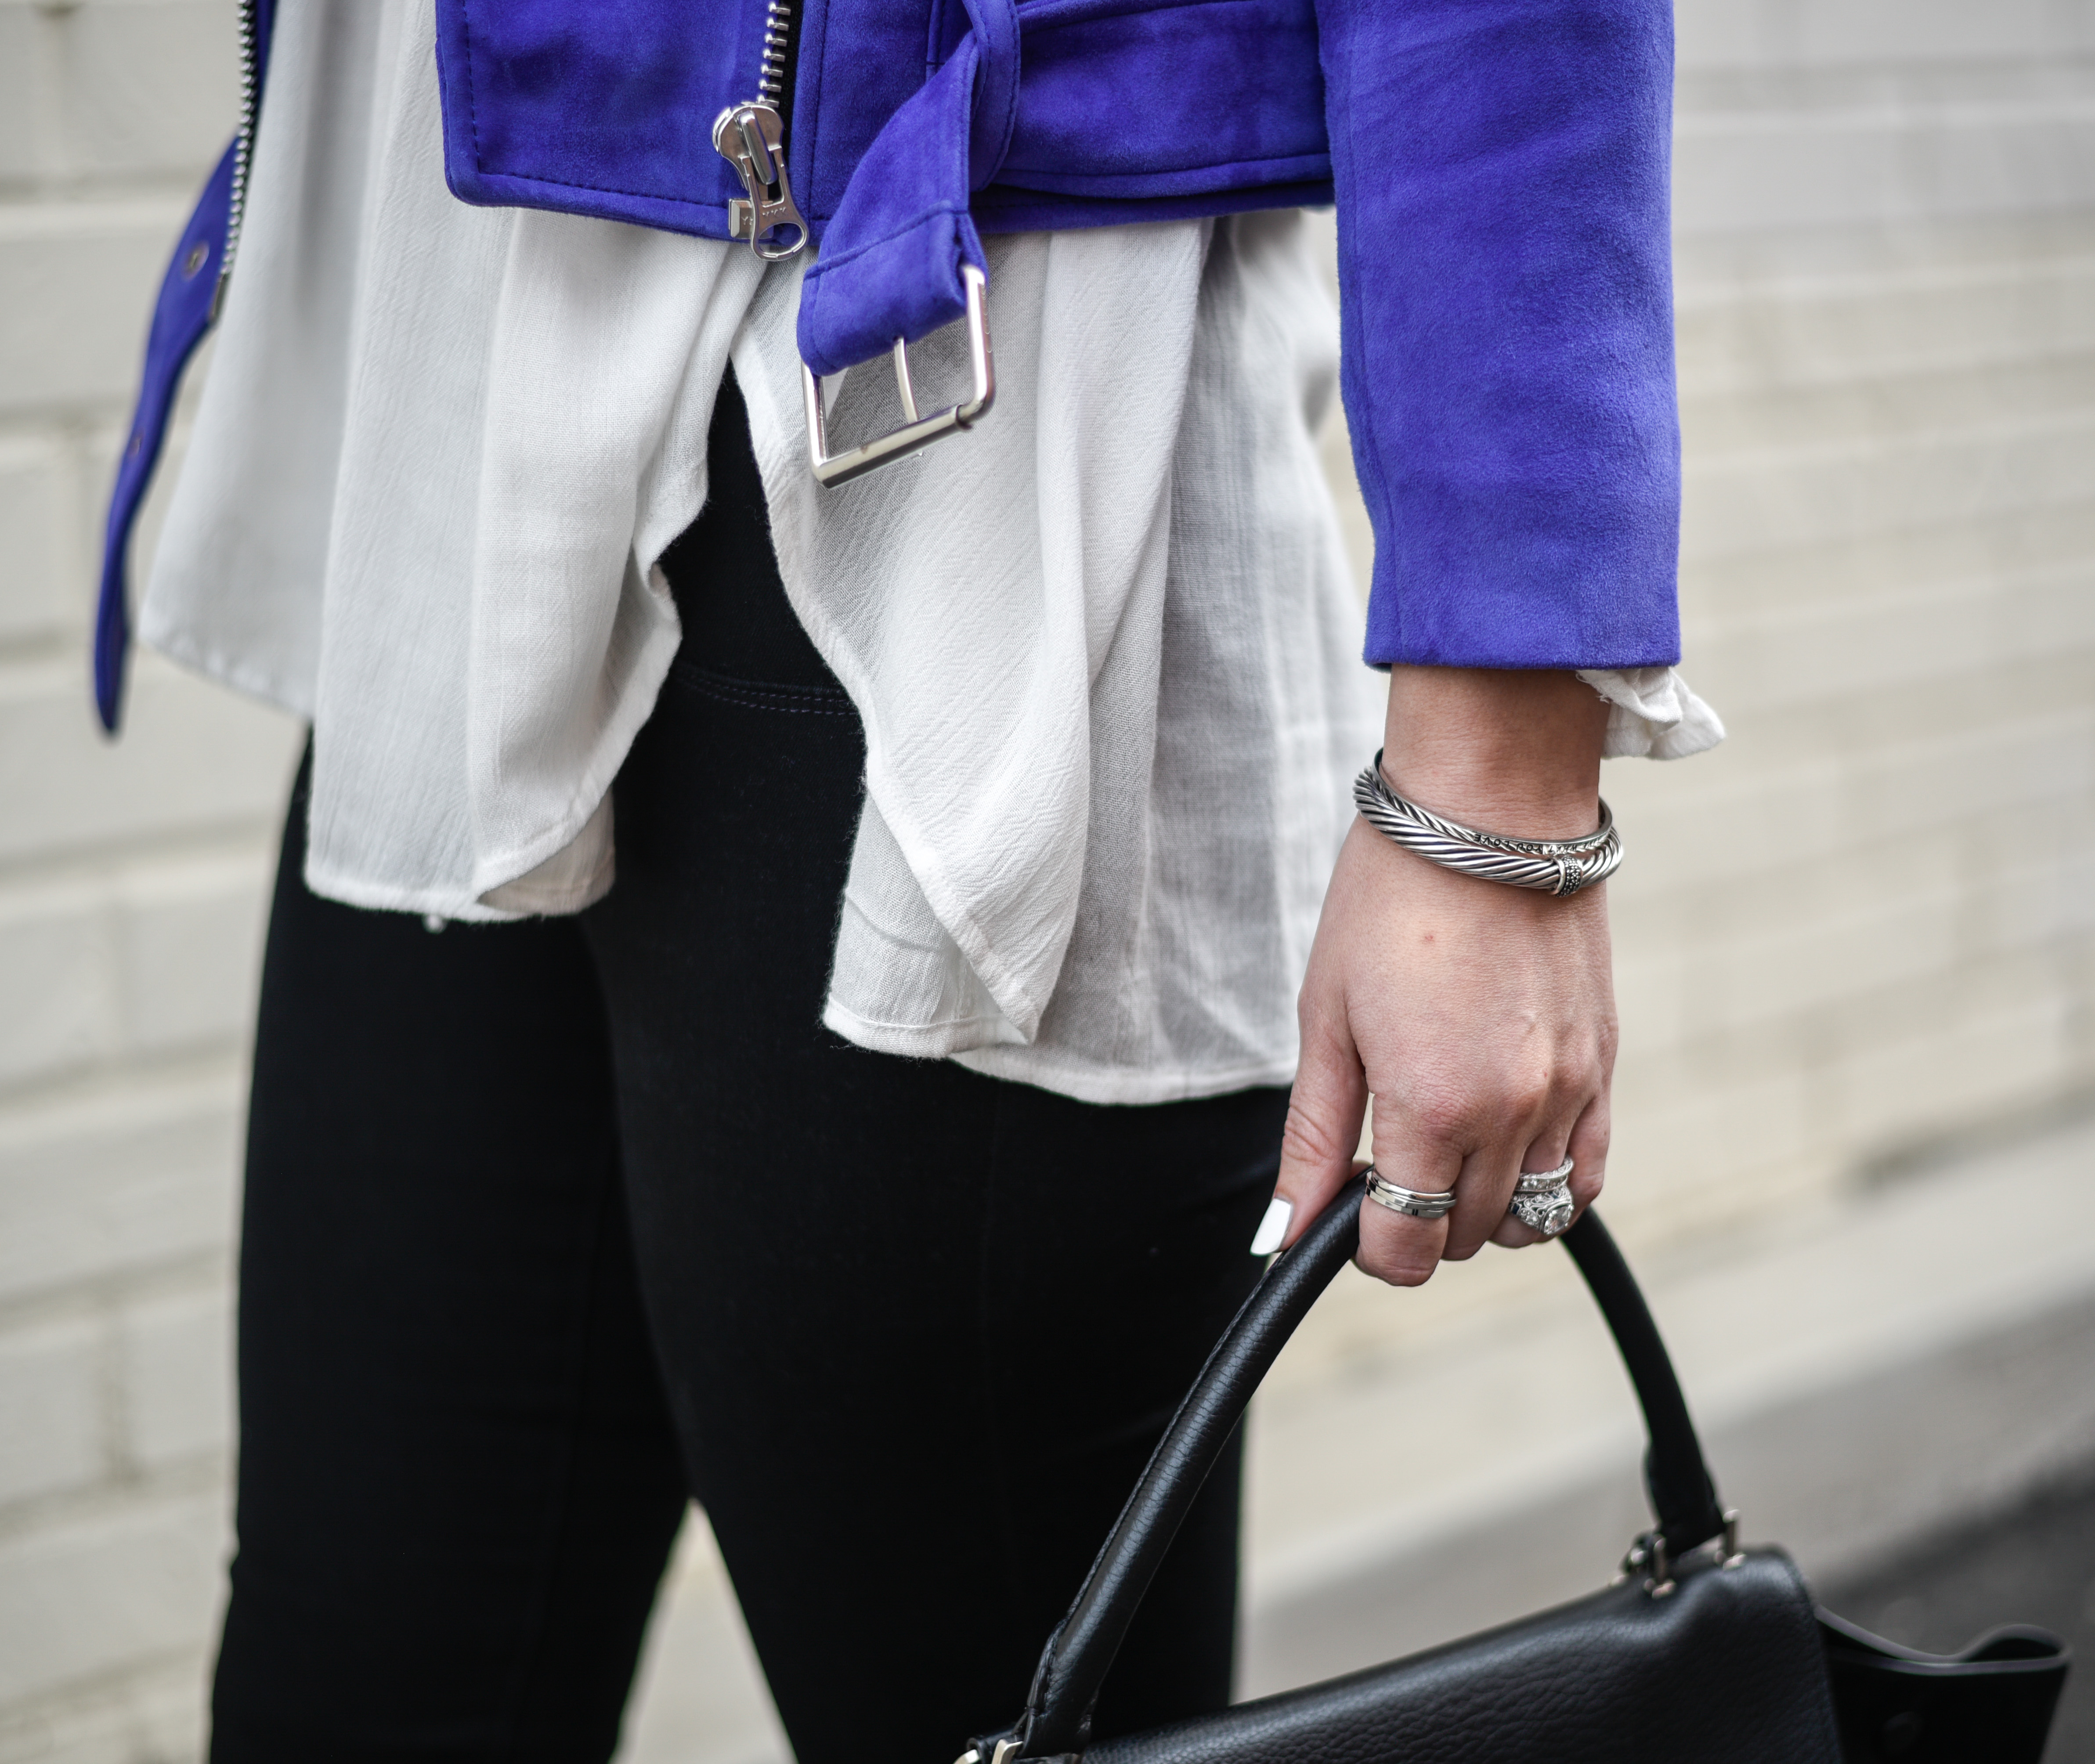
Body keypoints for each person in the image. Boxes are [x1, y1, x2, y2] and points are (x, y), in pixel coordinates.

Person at [113, 1, 1722, 1759]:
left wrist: (1494, 771)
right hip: (450, 406)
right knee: (350, 1692)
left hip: (961, 468)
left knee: (979, 1711)